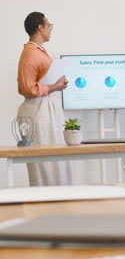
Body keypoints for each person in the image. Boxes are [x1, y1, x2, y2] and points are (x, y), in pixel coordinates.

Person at [17, 12, 72, 186]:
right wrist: (54, 86)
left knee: (55, 160)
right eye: (49, 25)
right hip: (39, 111)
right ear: (40, 27)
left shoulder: (40, 52)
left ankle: (58, 203)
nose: (50, 29)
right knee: (44, 163)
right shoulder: (30, 53)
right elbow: (27, 88)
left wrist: (58, 84)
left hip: (48, 109)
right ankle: (45, 202)